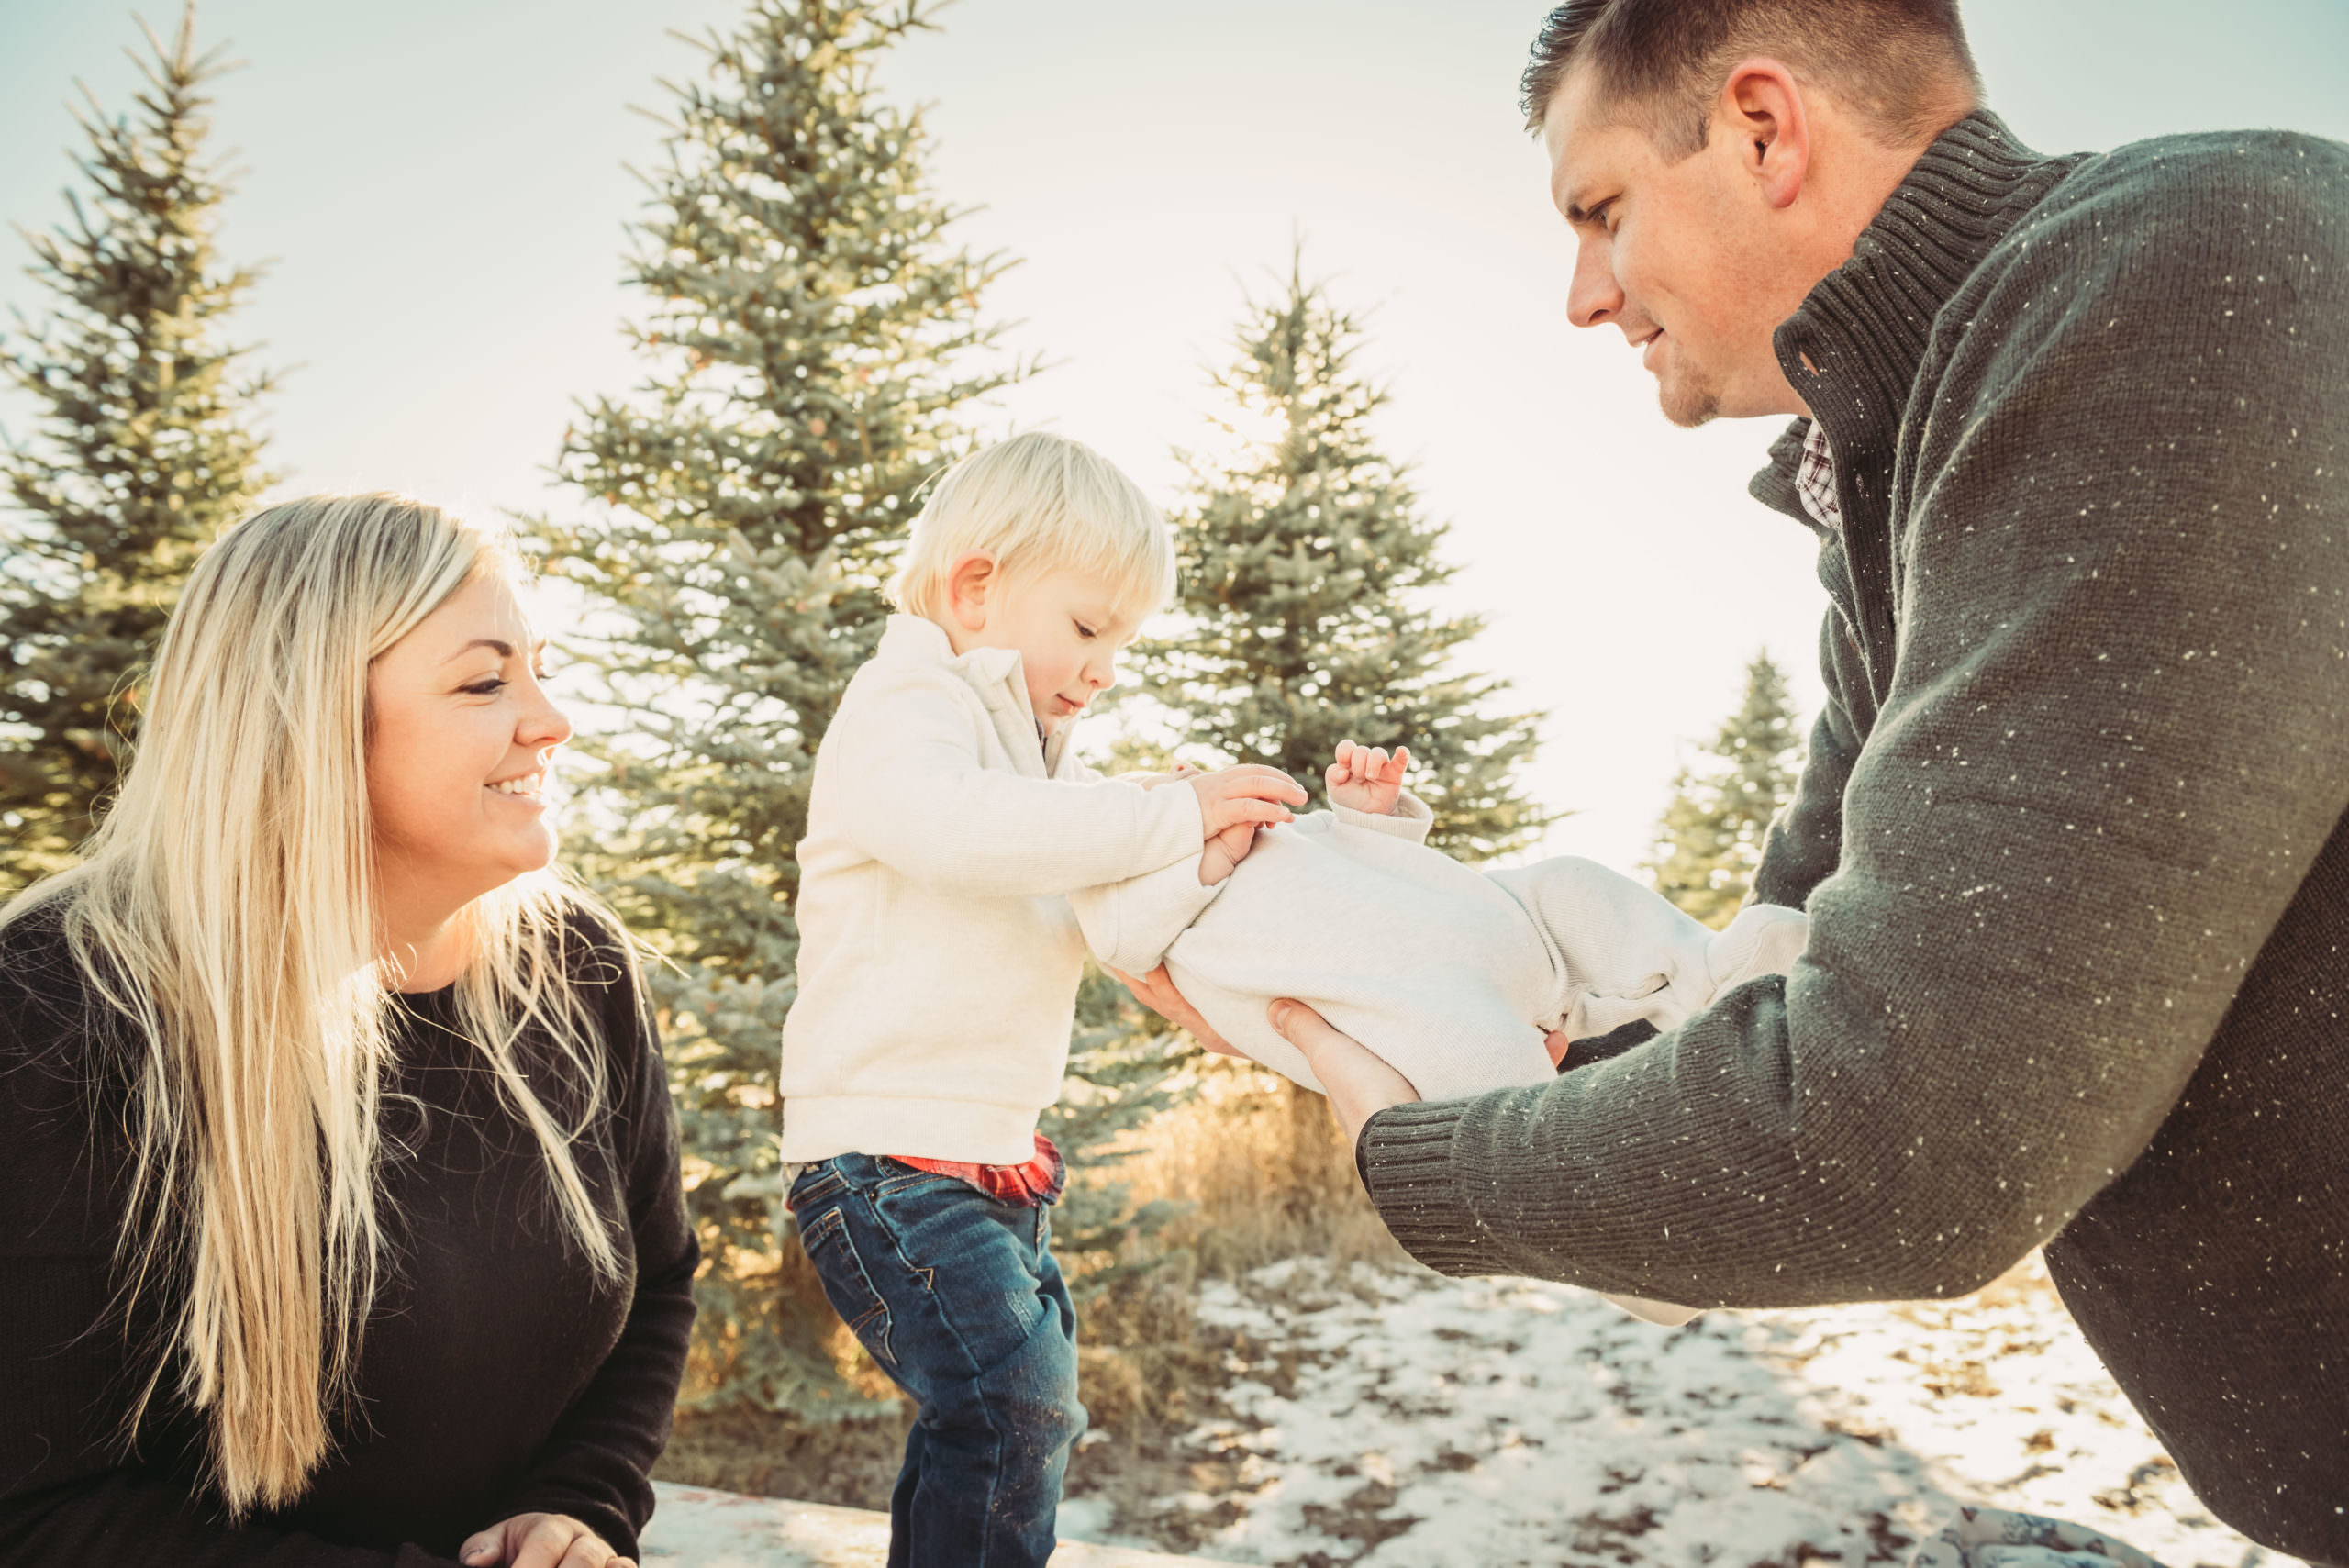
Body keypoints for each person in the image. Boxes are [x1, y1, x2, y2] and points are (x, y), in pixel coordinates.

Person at [1128, 1, 2349, 1562]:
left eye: (1600, 210)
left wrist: (1420, 1160)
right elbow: (1760, 994)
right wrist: (1373, 990)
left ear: (1765, 129)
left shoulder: (2182, 279)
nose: (1580, 296)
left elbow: (1904, 1133)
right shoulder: (1914, 486)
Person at [0, 495, 697, 1568]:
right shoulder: (62, 1001)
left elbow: (658, 1280)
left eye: (541, 666)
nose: (552, 719)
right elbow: (39, 1510)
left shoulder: (578, 964)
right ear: (305, 722)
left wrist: (581, 1503)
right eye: (485, 679)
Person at [777, 431, 1308, 1567]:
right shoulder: (903, 700)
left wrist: (1201, 851)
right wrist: (1164, 811)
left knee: (999, 1408)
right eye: (1087, 626)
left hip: (983, 1154)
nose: (1107, 663)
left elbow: (1095, 918)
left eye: (1123, 639)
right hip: (883, 1152)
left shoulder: (1033, 761)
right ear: (977, 587)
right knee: (1011, 1404)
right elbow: (950, 827)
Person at [1080, 739, 1808, 1104]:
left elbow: (1376, 865)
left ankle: (1708, 974)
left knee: (1572, 884)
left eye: (1180, 771)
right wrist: (1208, 857)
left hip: (1511, 925)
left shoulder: (1283, 838)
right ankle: (1629, 1234)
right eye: (1157, 792)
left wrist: (1370, 816)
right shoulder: (1163, 916)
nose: (1182, 781)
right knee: (1518, 1106)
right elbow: (1124, 936)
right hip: (1433, 1018)